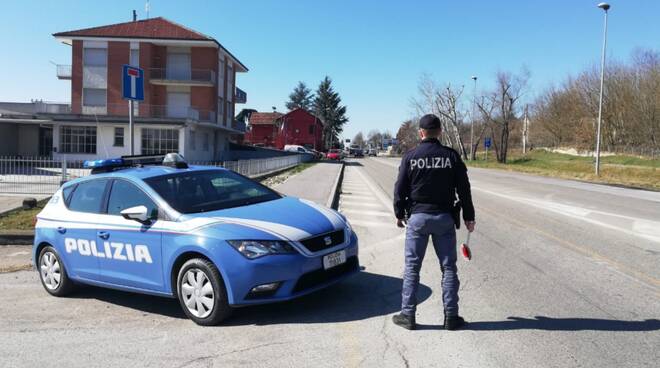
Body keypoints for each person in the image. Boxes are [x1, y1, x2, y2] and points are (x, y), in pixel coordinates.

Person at [392, 114, 475, 331]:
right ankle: (451, 317)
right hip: (444, 219)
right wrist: (469, 216)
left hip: (418, 218)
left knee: (412, 268)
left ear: (421, 133)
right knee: (448, 268)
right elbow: (464, 189)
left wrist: (399, 213)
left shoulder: (410, 156)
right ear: (440, 131)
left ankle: (408, 316)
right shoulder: (451, 156)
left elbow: (400, 188)